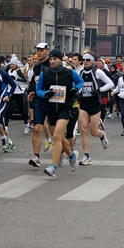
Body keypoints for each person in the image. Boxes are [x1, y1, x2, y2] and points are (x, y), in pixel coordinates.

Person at [36, 48, 84, 177]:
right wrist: (46, 94)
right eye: (51, 59)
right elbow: (38, 90)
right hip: (51, 109)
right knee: (60, 138)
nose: (52, 61)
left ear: (60, 60)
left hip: (65, 108)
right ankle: (72, 155)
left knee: (57, 136)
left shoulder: (69, 72)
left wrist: (75, 89)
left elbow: (80, 81)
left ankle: (53, 167)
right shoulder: (45, 74)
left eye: (55, 59)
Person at [78, 53, 113, 166]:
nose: (85, 62)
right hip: (84, 103)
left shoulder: (97, 72)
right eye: (83, 60)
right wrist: (76, 93)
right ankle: (86, 155)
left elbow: (110, 83)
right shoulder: (81, 72)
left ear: (92, 61)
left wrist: (100, 90)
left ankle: (102, 135)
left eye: (87, 60)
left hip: (94, 103)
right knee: (83, 129)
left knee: (93, 132)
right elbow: (77, 84)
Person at [27, 42, 53, 167]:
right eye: (37, 50)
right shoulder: (36, 68)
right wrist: (32, 90)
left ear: (48, 51)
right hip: (39, 100)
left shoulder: (53, 66)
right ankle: (36, 156)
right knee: (37, 128)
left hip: (53, 100)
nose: (39, 52)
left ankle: (62, 152)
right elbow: (34, 83)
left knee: (55, 130)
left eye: (41, 50)